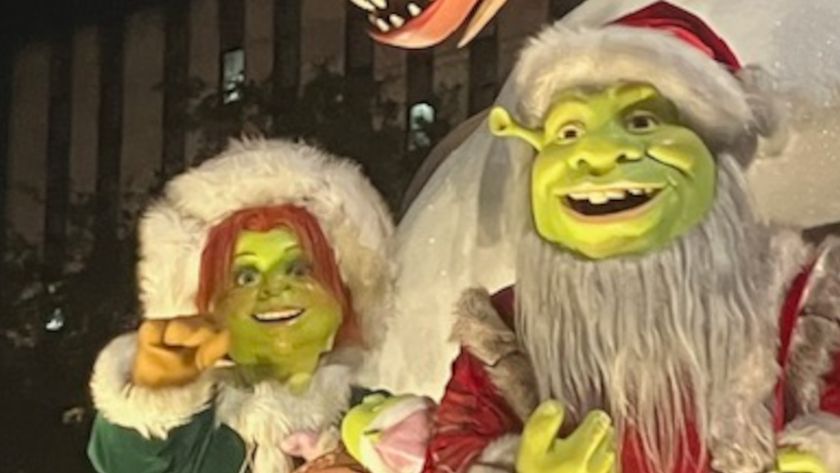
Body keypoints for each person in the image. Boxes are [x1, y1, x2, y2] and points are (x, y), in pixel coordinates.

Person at [423, 3, 840, 473]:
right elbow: (449, 453)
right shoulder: (503, 334)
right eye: (569, 130)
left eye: (642, 121)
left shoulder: (812, 308)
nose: (596, 156)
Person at [86, 139, 393, 473]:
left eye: (300, 269)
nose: (274, 289)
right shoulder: (191, 433)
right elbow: (123, 465)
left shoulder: (381, 424)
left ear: (344, 292)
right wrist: (153, 395)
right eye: (245, 276)